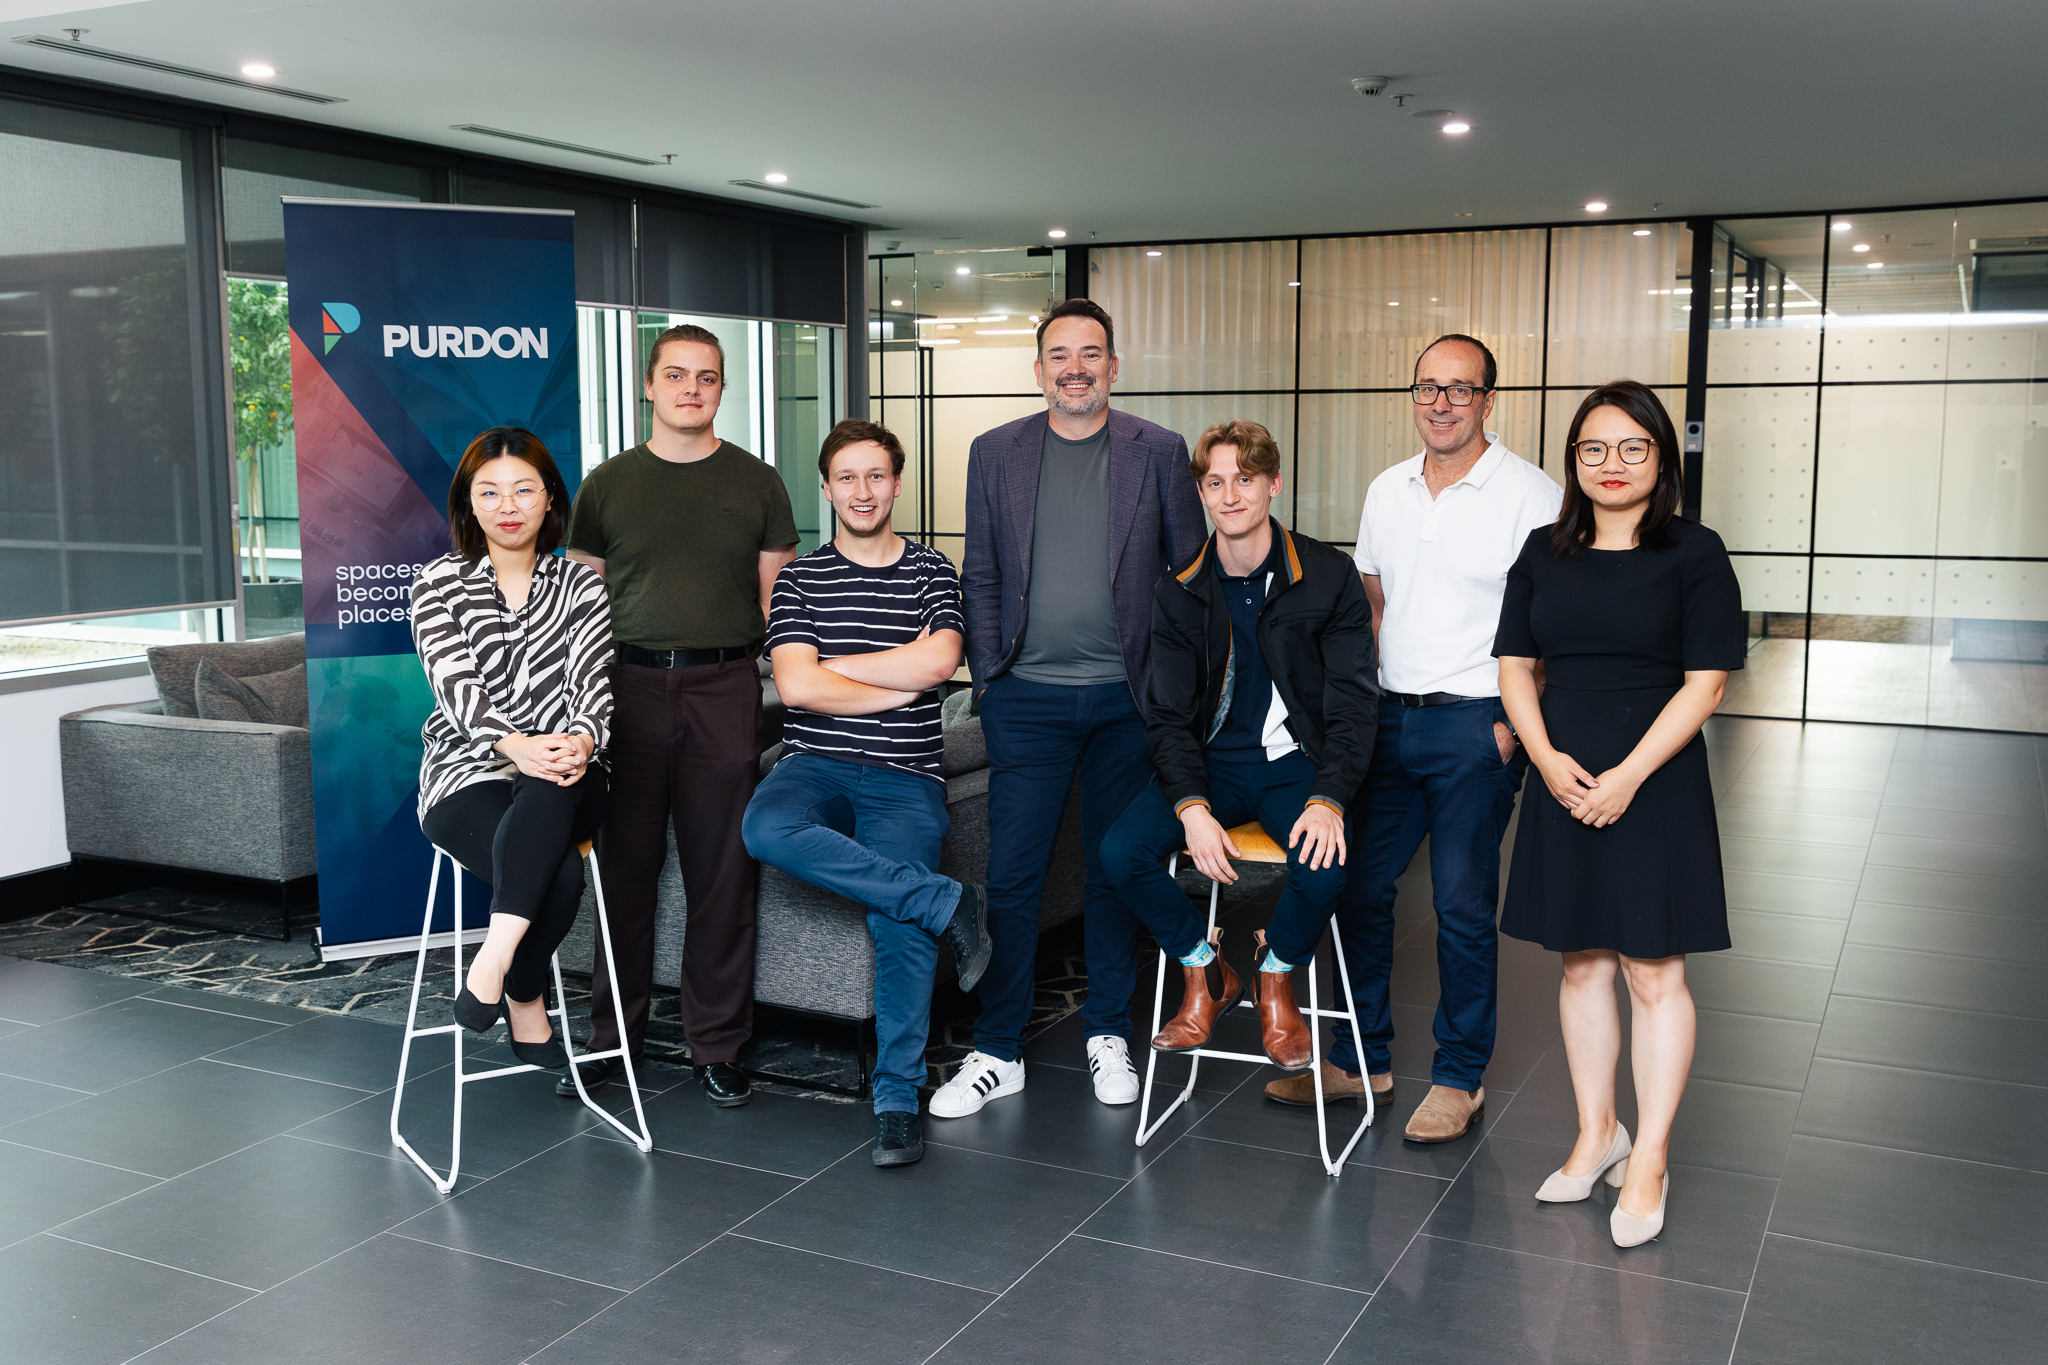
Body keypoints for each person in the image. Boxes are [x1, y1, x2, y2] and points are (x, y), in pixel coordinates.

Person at [1271, 334, 1562, 1143]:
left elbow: (1552, 626)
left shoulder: (1531, 496)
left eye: (1459, 389)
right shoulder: (1388, 490)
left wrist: (1511, 727)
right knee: (1359, 889)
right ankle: (1362, 1058)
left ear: (1489, 401)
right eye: (1428, 388)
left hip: (1476, 723)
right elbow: (1370, 602)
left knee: (1460, 904)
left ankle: (1459, 1076)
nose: (1441, 402)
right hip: (1388, 719)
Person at [933, 298, 1208, 1118]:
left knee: (1112, 870)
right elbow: (978, 573)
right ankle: (997, 1047)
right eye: (1060, 354)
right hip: (1028, 701)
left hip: (1128, 702)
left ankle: (1108, 1033)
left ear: (1114, 367)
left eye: (1092, 354)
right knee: (1012, 877)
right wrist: (990, 681)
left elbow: (1190, 578)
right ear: (1039, 367)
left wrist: (1172, 694)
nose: (1076, 367)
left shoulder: (1158, 452)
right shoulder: (995, 453)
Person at [1494, 379, 1742, 1247]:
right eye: (1593, 448)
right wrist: (1546, 756)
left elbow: (1705, 682)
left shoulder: (1695, 553)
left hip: (1656, 779)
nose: (1612, 464)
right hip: (1565, 775)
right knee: (1580, 963)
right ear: (1573, 460)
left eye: (1633, 447)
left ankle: (1652, 1157)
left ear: (1661, 458)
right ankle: (1600, 1131)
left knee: (1653, 971)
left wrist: (1629, 774)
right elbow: (1516, 666)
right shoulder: (1541, 550)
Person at [560, 324, 800, 1108]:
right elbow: (581, 601)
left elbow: (777, 601)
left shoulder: (759, 483)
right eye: (675, 375)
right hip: (622, 688)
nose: (691, 388)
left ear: (721, 388)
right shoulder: (606, 484)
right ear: (649, 386)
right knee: (624, 874)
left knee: (721, 874)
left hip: (725, 687)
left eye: (706, 377)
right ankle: (610, 1043)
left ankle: (717, 1045)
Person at [742, 420, 991, 1167]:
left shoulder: (931, 572)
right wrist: (896, 676)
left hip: (905, 775)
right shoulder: (800, 578)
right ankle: (949, 901)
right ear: (826, 487)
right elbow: (794, 685)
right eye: (846, 477)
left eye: (875, 475)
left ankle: (895, 1099)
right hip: (812, 766)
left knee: (898, 925)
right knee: (765, 827)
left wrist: (840, 670)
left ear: (896, 483)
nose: (861, 490)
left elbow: (942, 661)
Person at [1100, 421, 1377, 1068]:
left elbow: (1355, 704)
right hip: (1213, 766)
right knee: (1121, 851)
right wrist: (1192, 805)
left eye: (1245, 480)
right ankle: (1207, 969)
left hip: (1293, 765)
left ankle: (1276, 970)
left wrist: (1330, 798)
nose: (1231, 496)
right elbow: (1167, 717)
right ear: (1201, 490)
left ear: (1273, 483)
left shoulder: (1329, 576)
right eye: (1216, 482)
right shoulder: (1180, 589)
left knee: (1327, 865)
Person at [413, 428, 611, 1072]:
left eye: (524, 490)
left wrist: (580, 740)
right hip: (467, 771)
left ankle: (492, 963)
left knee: (555, 785)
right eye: (490, 492)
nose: (508, 506)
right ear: (469, 505)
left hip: (569, 767)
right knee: (558, 874)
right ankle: (524, 990)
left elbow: (595, 687)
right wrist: (514, 746)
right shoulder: (437, 585)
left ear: (550, 498)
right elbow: (455, 686)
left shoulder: (580, 586)